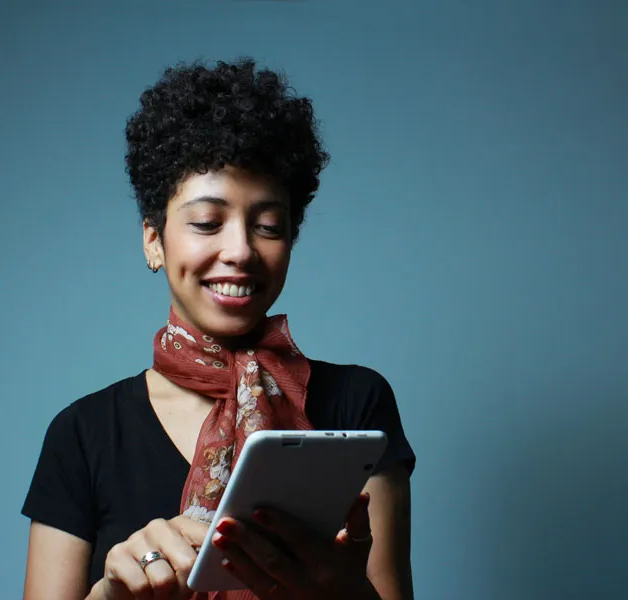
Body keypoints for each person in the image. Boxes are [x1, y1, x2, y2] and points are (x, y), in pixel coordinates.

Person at [21, 58, 416, 600]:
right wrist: (109, 595)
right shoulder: (83, 434)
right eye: (207, 222)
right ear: (153, 241)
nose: (240, 250)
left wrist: (347, 593)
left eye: (269, 226)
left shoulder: (356, 403)